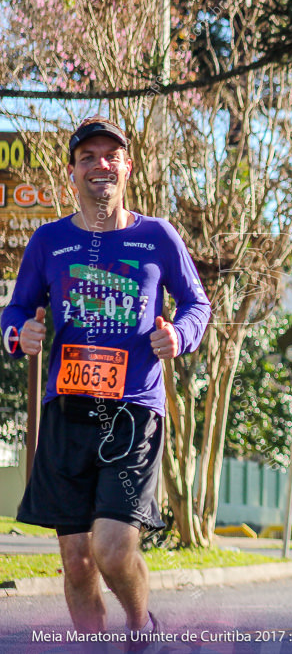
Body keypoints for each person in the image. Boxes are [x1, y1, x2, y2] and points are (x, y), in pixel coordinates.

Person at [1, 116, 211, 639]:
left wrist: (179, 336)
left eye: (111, 156)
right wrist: (17, 335)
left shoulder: (158, 235)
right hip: (67, 414)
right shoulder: (49, 240)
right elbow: (16, 309)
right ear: (72, 172)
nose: (101, 165)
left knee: (113, 550)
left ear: (128, 167)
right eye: (88, 157)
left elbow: (196, 303)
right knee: (76, 561)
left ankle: (143, 629)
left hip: (134, 410)